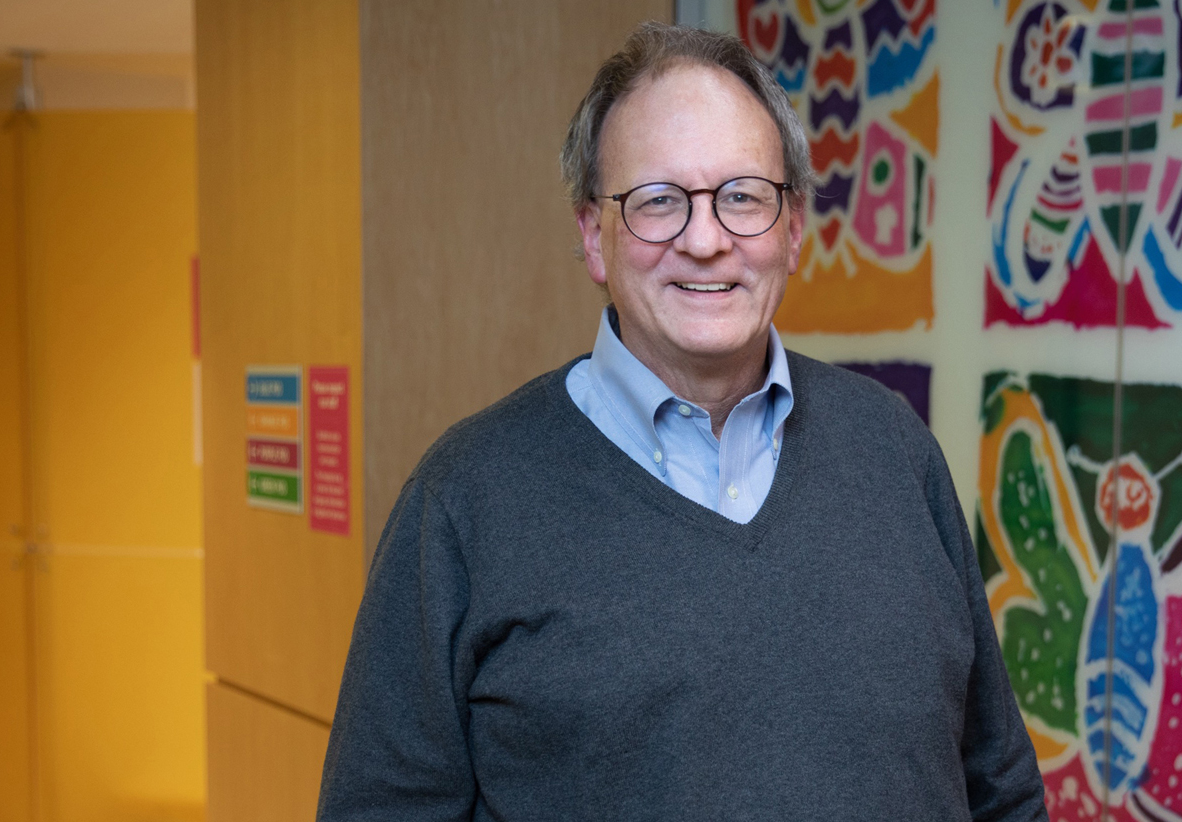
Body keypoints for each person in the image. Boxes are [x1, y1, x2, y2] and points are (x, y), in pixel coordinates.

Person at [317, 22, 1046, 821]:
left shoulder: (895, 450)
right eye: (659, 201)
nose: (705, 240)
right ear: (593, 236)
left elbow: (1001, 787)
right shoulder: (465, 501)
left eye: (743, 196)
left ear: (793, 229)